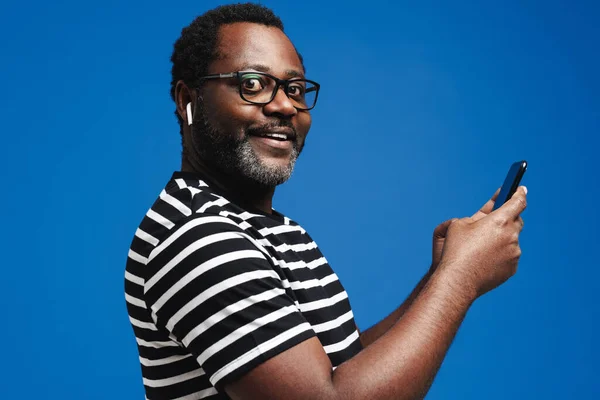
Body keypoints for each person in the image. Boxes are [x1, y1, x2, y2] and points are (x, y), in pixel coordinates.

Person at [124, 3, 527, 399]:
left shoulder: (276, 230)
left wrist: (439, 276)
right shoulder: (199, 239)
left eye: (294, 88)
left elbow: (339, 374)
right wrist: (459, 279)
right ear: (186, 99)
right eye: (252, 84)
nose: (284, 105)